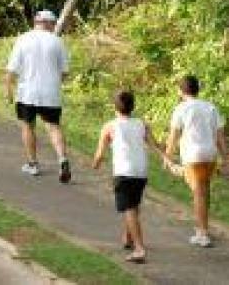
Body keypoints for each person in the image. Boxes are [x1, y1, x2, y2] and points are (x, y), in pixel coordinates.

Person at [92, 90, 163, 263]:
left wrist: (95, 164)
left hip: (124, 172)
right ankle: (129, 238)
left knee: (129, 209)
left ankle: (139, 248)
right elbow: (155, 146)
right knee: (134, 205)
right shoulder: (142, 124)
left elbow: (100, 154)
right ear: (133, 106)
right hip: (141, 171)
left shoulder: (110, 126)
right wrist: (166, 158)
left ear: (114, 107)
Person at [5, 9, 71, 182]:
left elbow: (11, 68)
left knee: (28, 125)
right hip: (50, 93)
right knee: (53, 126)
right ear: (49, 24)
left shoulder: (23, 39)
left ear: (36, 22)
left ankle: (33, 164)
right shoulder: (57, 42)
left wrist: (8, 90)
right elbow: (64, 73)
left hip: (27, 92)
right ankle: (62, 159)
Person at [165, 75, 228, 247]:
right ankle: (203, 227)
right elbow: (220, 135)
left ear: (181, 91)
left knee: (198, 192)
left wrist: (168, 156)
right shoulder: (210, 107)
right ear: (197, 89)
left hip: (193, 155)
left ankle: (202, 233)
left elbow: (174, 136)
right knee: (204, 190)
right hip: (210, 154)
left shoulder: (181, 108)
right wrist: (225, 158)